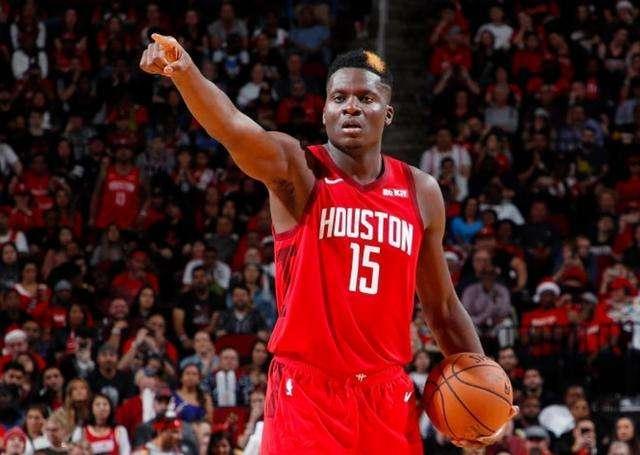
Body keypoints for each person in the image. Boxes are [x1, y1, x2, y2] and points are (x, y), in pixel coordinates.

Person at [140, 39, 517, 452]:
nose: (351, 107)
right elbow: (232, 127)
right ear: (324, 112)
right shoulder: (298, 170)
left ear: (388, 113)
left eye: (365, 98)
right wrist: (185, 72)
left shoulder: (422, 192)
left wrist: (486, 387)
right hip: (307, 393)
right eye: (339, 98)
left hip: (386, 396)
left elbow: (442, 308)